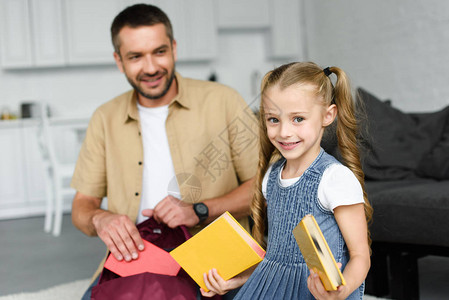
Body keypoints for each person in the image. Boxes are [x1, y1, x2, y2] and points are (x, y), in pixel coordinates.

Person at [70, 3, 258, 299]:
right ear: (119, 61)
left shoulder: (224, 101)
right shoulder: (105, 118)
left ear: (174, 48)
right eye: (135, 57)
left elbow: (263, 189)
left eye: (159, 52)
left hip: (217, 258)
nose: (151, 67)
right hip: (138, 257)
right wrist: (100, 218)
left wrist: (200, 209)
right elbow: (82, 206)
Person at [201, 62, 372, 299]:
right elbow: (277, 262)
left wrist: (341, 292)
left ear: (328, 115)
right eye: (273, 119)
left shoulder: (335, 178)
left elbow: (360, 256)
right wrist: (236, 280)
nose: (284, 132)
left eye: (298, 119)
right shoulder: (271, 177)